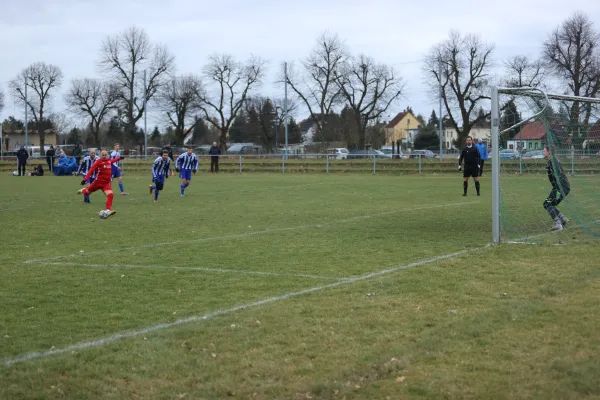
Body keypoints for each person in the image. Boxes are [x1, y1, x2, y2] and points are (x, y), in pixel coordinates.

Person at [77, 150, 123, 218]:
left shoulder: (109, 160)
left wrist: (119, 158)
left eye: (105, 155)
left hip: (106, 184)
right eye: (103, 155)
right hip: (97, 183)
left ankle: (107, 211)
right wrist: (85, 179)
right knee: (87, 193)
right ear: (100, 155)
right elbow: (91, 170)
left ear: (107, 155)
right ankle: (82, 190)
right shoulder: (98, 162)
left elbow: (113, 160)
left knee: (110, 195)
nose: (104, 156)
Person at [543, 145, 570, 231]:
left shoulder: (553, 162)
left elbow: (559, 175)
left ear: (549, 152)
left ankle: (558, 224)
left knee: (548, 204)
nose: (543, 152)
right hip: (560, 188)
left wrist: (559, 186)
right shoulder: (551, 162)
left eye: (544, 151)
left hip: (561, 188)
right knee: (547, 204)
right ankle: (563, 219)